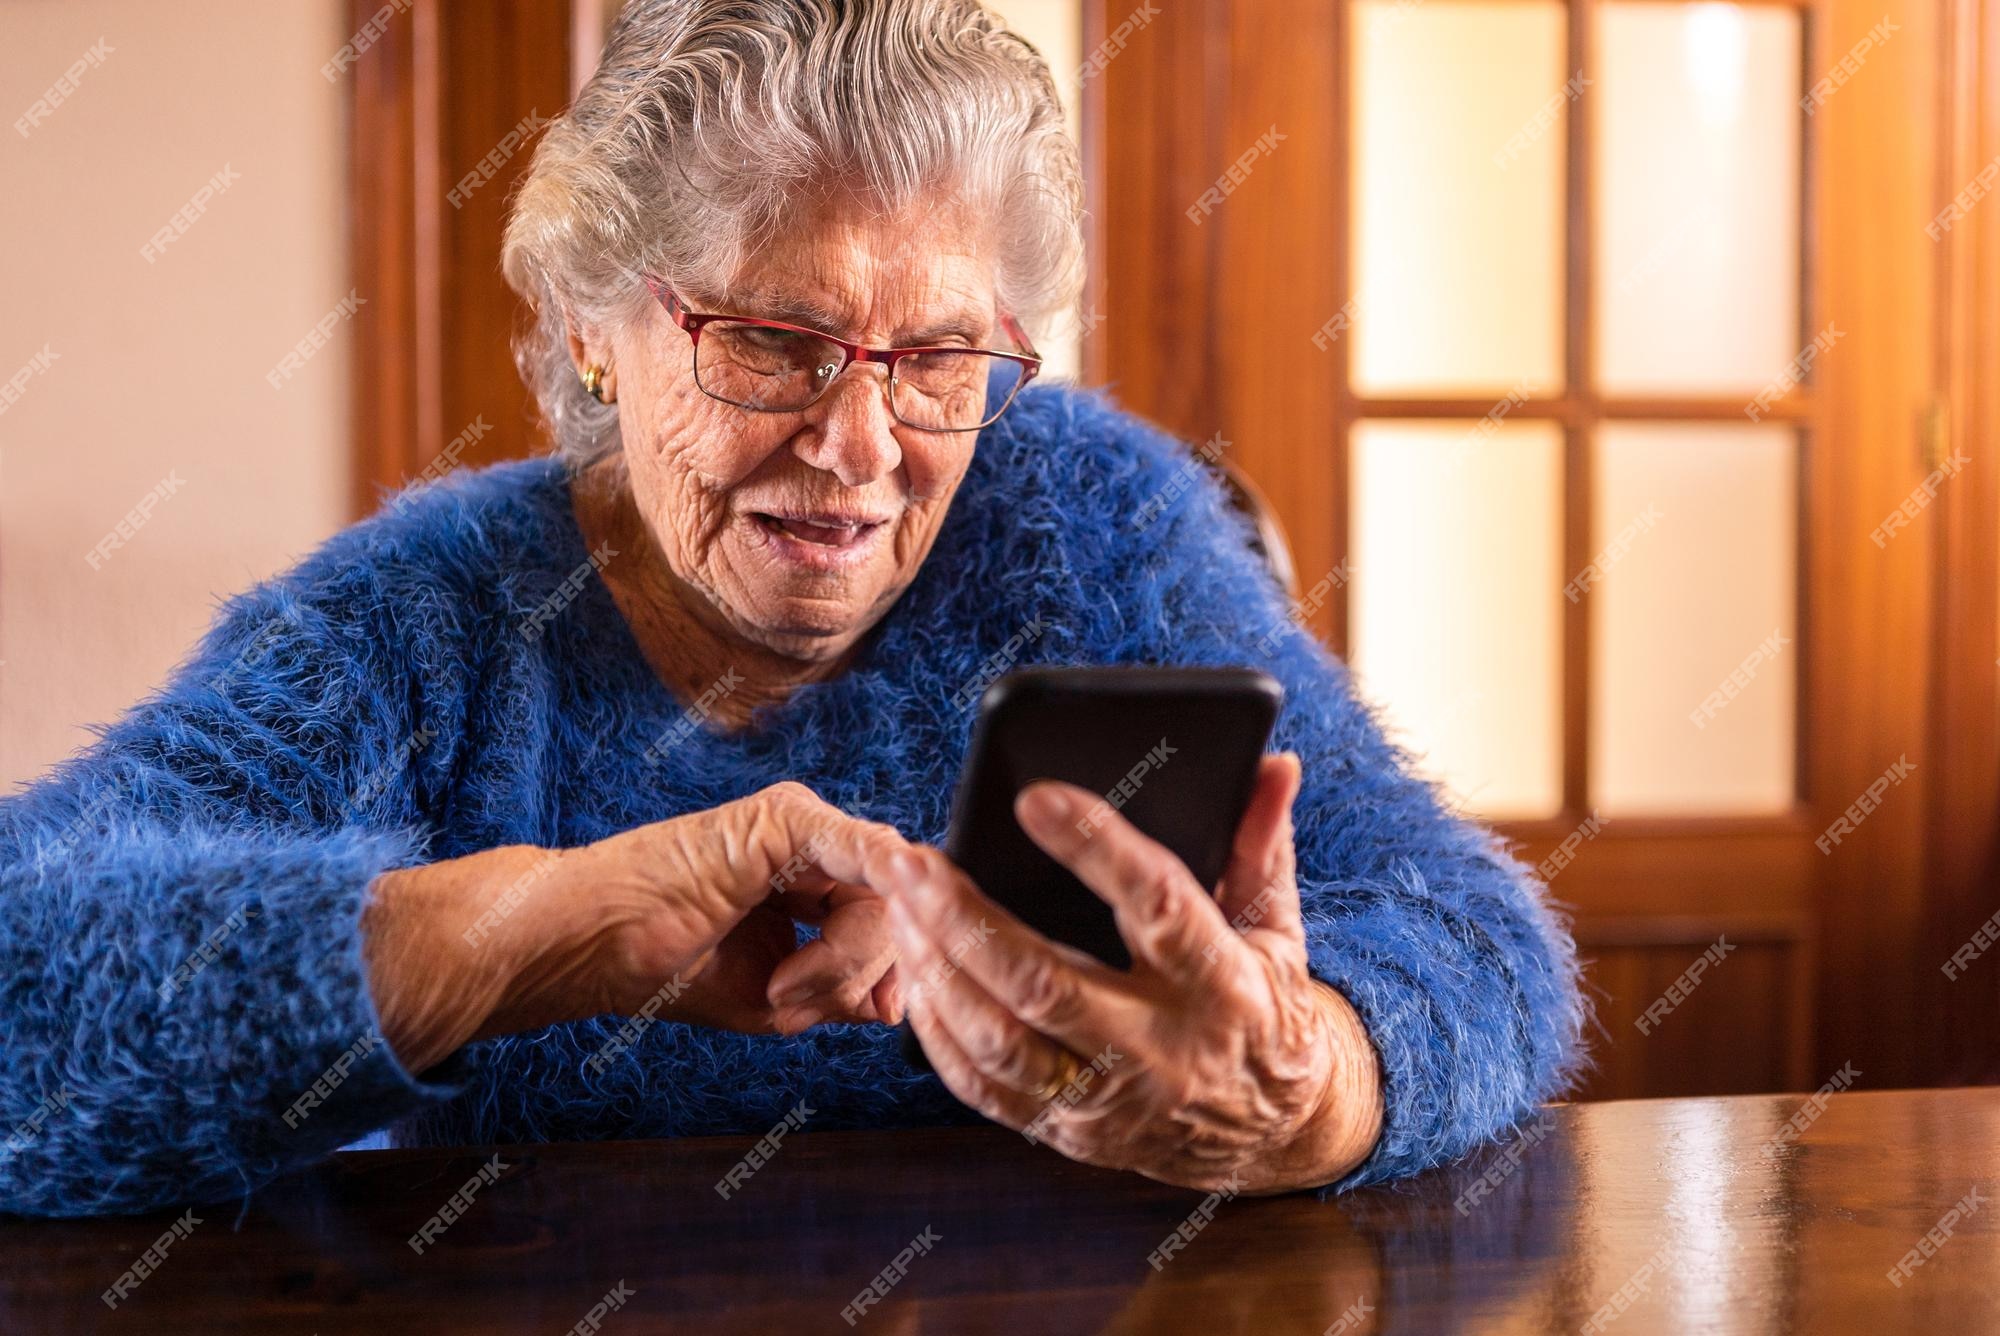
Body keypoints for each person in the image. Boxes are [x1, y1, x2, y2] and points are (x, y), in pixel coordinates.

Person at [0, 0, 1583, 1218]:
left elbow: (1475, 929)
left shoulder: (1084, 516)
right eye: (774, 339)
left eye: (939, 360)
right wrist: (535, 932)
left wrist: (1313, 1084)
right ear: (592, 326)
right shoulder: (424, 625)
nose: (860, 446)